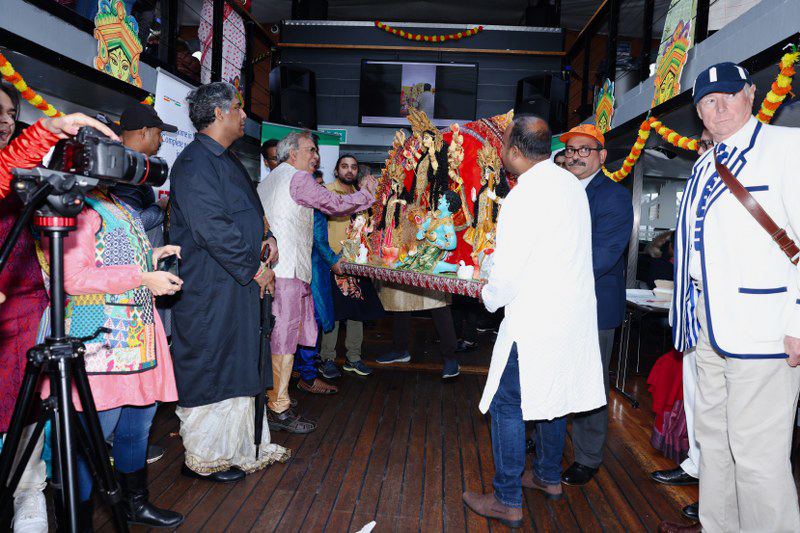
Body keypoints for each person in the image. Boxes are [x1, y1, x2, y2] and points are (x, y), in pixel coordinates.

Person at [659, 62, 800, 533]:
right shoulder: (703, 163)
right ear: (698, 111)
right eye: (707, 101)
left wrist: (798, 320)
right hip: (707, 326)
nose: (718, 108)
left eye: (728, 96)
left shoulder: (787, 148)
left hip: (765, 331)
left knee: (758, 456)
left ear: (752, 95)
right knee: (713, 443)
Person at [462, 115, 606, 527]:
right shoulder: (568, 184)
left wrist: (486, 293)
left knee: (508, 404)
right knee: (553, 394)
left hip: (537, 319)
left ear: (514, 151)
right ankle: (546, 476)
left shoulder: (524, 196)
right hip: (570, 318)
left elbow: (507, 275)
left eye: (503, 142)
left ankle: (507, 498)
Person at [36, 174, 185, 529]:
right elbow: (73, 278)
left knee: (137, 425)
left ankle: (136, 503)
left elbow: (112, 257)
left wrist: (151, 255)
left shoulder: (110, 200)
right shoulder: (73, 204)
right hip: (99, 341)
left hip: (134, 334)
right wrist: (142, 277)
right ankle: (79, 522)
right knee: (88, 441)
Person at [0, 86, 119, 531]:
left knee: (25, 411)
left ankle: (29, 498)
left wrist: (45, 135)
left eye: (11, 113)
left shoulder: (24, 171)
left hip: (25, 307)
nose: (5, 120)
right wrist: (47, 129)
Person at [169, 81, 288, 483]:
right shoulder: (193, 163)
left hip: (234, 287)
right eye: (238, 107)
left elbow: (250, 211)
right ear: (219, 113)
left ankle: (240, 447)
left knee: (238, 364)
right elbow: (212, 229)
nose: (243, 114)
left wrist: (267, 239)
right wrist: (255, 269)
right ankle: (203, 457)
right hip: (211, 290)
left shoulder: (228, 159)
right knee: (213, 365)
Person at [258, 131, 376, 433]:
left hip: (281, 270)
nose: (317, 157)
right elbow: (333, 204)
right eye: (311, 150)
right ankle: (278, 407)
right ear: (292, 153)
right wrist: (367, 193)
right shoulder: (298, 179)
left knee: (288, 334)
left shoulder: (270, 180)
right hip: (287, 272)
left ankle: (276, 395)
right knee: (283, 339)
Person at [537, 123, 633, 487]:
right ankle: (546, 442)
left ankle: (588, 456)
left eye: (584, 150)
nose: (575, 155)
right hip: (553, 303)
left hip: (593, 306)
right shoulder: (556, 191)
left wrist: (544, 270)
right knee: (551, 375)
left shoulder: (614, 197)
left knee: (589, 384)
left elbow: (603, 256)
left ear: (602, 156)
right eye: (571, 150)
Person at [319, 155, 384, 379]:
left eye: (353, 167)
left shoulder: (363, 197)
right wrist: (329, 259)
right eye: (344, 167)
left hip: (358, 263)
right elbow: (318, 231)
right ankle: (327, 358)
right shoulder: (326, 193)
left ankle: (353, 358)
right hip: (333, 262)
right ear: (336, 171)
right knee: (334, 313)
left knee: (357, 312)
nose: (349, 171)